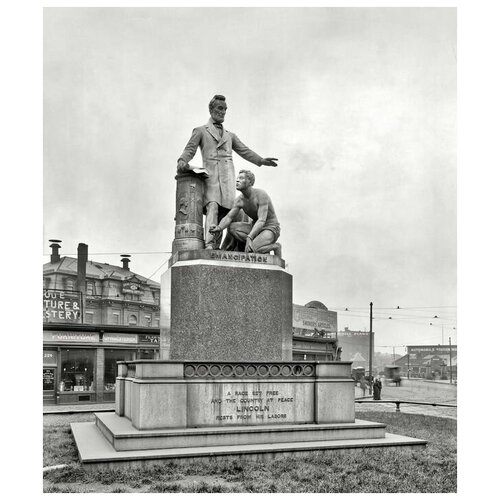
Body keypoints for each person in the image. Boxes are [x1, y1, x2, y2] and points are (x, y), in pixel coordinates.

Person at [177, 95, 278, 249]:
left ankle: (220, 247)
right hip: (211, 179)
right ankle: (210, 244)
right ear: (211, 109)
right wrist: (182, 160)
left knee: (227, 213)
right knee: (213, 207)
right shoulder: (200, 131)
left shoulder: (230, 136)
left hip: (228, 180)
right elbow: (189, 150)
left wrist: (261, 160)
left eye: (225, 109)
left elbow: (244, 150)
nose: (223, 112)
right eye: (219, 108)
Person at [209, 169, 281, 256]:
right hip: (254, 227)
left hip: (270, 228)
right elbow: (229, 217)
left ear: (250, 182)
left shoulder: (261, 195)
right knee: (232, 228)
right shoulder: (239, 200)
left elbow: (262, 220)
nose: (237, 180)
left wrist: (249, 237)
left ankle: (275, 246)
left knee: (252, 250)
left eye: (241, 178)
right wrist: (219, 227)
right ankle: (258, 243)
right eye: (237, 178)